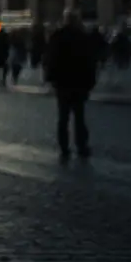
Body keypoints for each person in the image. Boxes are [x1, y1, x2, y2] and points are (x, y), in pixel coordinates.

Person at [44, 10, 96, 159]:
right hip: (79, 83)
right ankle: (81, 146)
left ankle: (64, 147)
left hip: (62, 83)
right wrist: (90, 82)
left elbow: (51, 59)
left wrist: (51, 79)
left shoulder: (57, 36)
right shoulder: (83, 37)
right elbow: (89, 62)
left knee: (63, 117)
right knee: (79, 117)